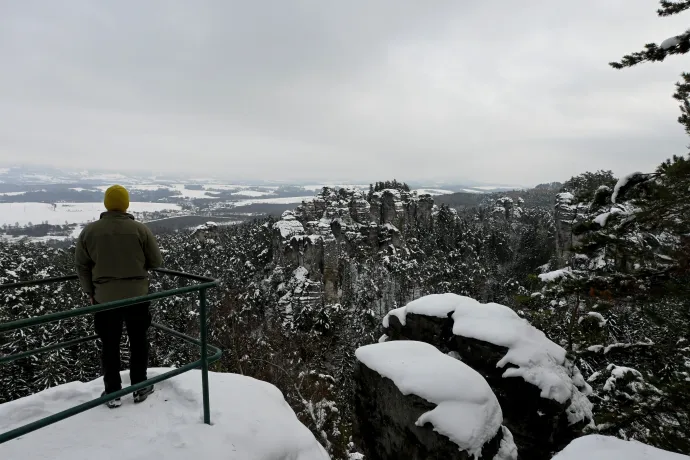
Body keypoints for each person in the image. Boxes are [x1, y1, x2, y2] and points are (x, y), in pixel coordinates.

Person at [75, 185, 163, 408]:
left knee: (110, 344)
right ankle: (140, 386)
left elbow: (82, 266)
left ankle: (113, 391)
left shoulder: (89, 232)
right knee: (138, 341)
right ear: (126, 204)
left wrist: (90, 292)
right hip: (137, 296)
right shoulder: (140, 230)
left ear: (106, 203)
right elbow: (156, 261)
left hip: (105, 298)